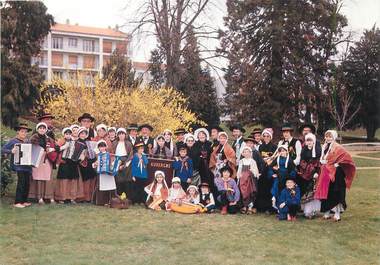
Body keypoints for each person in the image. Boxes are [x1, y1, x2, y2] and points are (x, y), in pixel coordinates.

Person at [314, 130, 356, 221]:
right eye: (326, 136)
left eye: (330, 136)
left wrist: (338, 164)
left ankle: (337, 214)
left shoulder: (338, 147)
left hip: (336, 174)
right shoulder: (324, 146)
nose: (328, 138)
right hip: (325, 172)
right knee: (326, 192)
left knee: (335, 192)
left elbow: (346, 157)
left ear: (334, 137)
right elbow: (323, 159)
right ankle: (327, 212)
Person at [1, 123, 33, 208]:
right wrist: (11, 151)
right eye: (22, 131)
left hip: (27, 166)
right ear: (18, 132)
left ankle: (24, 201)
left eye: (25, 132)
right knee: (21, 183)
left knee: (27, 183)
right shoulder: (13, 141)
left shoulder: (28, 141)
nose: (24, 133)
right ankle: (17, 202)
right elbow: (3, 149)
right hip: (19, 166)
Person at [54, 127, 85, 203]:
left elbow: (81, 151)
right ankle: (62, 197)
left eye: (69, 134)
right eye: (66, 134)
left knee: (72, 181)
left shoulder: (76, 142)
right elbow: (57, 149)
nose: (68, 135)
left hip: (73, 163)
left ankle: (72, 197)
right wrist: (64, 146)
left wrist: (80, 158)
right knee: (64, 180)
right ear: (64, 134)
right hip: (64, 162)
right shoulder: (62, 141)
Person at [28, 122, 56, 204]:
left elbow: (55, 147)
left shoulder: (49, 139)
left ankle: (48, 196)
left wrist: (53, 149)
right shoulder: (33, 139)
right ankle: (39, 197)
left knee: (47, 178)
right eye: (40, 128)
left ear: (46, 130)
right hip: (37, 160)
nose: (42, 130)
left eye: (44, 128)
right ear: (37, 129)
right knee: (38, 178)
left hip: (47, 160)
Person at [297, 133, 322, 218]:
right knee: (306, 191)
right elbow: (302, 161)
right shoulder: (304, 149)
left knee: (312, 192)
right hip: (305, 174)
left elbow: (318, 163)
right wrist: (309, 169)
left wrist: (316, 172)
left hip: (314, 175)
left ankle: (312, 211)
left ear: (314, 141)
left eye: (310, 140)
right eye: (307, 140)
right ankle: (305, 210)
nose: (309, 142)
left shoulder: (318, 150)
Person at [268, 145, 296, 211]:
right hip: (279, 176)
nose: (281, 153)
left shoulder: (289, 159)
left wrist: (290, 178)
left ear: (286, 151)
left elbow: (293, 169)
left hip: (286, 177)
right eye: (280, 151)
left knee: (285, 192)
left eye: (283, 151)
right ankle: (277, 207)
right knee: (277, 190)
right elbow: (270, 166)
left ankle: (285, 208)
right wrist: (272, 174)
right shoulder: (277, 158)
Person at [256, 128, 277, 213]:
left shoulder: (274, 146)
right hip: (262, 169)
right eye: (264, 136)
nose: (266, 137)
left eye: (268, 136)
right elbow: (259, 157)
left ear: (270, 137)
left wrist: (269, 161)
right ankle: (261, 207)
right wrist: (263, 160)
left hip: (270, 169)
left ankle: (270, 207)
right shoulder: (260, 146)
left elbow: (275, 158)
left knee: (269, 188)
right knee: (262, 188)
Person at [111, 128, 134, 198]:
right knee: (118, 180)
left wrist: (125, 165)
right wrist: (115, 164)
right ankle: (117, 197)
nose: (121, 135)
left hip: (126, 162)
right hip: (117, 161)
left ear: (125, 135)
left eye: (122, 134)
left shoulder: (128, 143)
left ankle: (127, 198)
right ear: (117, 135)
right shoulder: (114, 143)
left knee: (126, 180)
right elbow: (112, 153)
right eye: (119, 134)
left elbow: (130, 155)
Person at [93, 140, 116, 206]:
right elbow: (95, 164)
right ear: (98, 148)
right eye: (100, 147)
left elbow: (113, 162)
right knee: (102, 187)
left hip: (109, 173)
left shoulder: (109, 154)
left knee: (110, 187)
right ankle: (101, 201)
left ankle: (111, 201)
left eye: (103, 146)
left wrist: (112, 166)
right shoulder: (98, 155)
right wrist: (95, 164)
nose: (102, 148)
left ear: (106, 147)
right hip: (101, 174)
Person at [237, 146, 260, 214]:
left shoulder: (252, 161)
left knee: (250, 192)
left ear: (250, 153)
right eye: (245, 152)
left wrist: (252, 171)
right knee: (243, 192)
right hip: (243, 179)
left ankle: (250, 207)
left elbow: (256, 171)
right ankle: (244, 206)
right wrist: (239, 176)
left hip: (250, 179)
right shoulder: (241, 161)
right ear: (243, 153)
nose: (246, 153)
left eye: (248, 152)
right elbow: (239, 170)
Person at [77, 127, 97, 202]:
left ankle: (91, 197)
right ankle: (85, 197)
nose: (83, 135)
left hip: (90, 162)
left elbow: (93, 152)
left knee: (92, 179)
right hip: (82, 164)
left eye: (84, 133)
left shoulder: (89, 142)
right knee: (85, 180)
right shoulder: (77, 142)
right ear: (79, 134)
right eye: (81, 133)